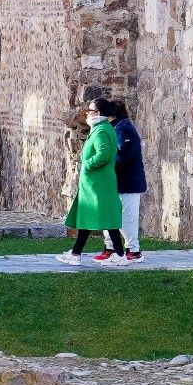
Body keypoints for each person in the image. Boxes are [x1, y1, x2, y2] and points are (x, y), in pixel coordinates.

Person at [56, 97, 127, 266]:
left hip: (97, 182)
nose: (87, 114)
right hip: (96, 182)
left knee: (100, 217)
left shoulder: (101, 131)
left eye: (90, 111)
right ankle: (78, 253)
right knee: (95, 217)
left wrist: (87, 165)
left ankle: (114, 254)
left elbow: (102, 155)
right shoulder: (103, 128)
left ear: (99, 113)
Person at [94, 98, 146, 263]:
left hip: (128, 183)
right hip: (115, 182)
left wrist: (105, 161)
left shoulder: (125, 130)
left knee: (126, 218)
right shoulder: (115, 128)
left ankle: (133, 250)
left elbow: (124, 155)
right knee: (110, 216)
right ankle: (110, 248)